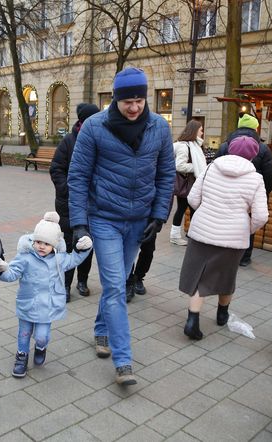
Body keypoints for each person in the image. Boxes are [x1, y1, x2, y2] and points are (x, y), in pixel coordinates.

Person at [68, 67, 175, 385]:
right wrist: (78, 224)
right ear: (115, 100)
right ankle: (124, 361)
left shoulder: (159, 128)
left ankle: (101, 331)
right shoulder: (94, 127)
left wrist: (158, 216)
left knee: (115, 284)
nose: (134, 107)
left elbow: (166, 174)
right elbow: (77, 177)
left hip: (139, 221)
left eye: (140, 100)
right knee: (116, 286)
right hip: (104, 219)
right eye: (128, 101)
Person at [180, 136, 268, 340]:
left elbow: (193, 198)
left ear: (229, 149)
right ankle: (222, 314)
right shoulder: (255, 178)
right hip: (233, 237)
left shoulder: (211, 168)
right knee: (227, 276)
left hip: (202, 231)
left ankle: (192, 319)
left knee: (198, 276)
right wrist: (247, 228)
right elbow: (261, 216)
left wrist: (206, 213)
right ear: (253, 155)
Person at [0, 212, 92, 378]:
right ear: (33, 241)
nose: (41, 246)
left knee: (42, 336)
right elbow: (11, 274)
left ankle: (41, 347)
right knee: (24, 334)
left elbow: (74, 259)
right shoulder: (24, 258)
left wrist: (85, 248)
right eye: (38, 242)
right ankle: (21, 356)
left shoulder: (59, 260)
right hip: (28, 304)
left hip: (47, 307)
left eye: (46, 243)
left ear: (54, 245)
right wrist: (0, 270)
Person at [125, 119, 206, 301]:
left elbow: (166, 188)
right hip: (129, 212)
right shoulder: (130, 156)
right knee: (128, 248)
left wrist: (160, 216)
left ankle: (139, 277)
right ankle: (128, 280)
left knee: (148, 248)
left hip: (150, 212)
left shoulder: (162, 157)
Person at [49, 103, 99, 302]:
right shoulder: (68, 142)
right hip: (68, 203)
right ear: (83, 120)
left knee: (87, 244)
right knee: (69, 246)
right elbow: (56, 169)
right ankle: (65, 285)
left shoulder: (98, 140)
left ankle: (83, 281)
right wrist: (68, 189)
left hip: (92, 204)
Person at [216, 113, 272, 266]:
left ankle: (223, 252)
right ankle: (244, 257)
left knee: (225, 221)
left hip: (225, 192)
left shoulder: (225, 145)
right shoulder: (263, 149)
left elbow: (214, 167)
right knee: (247, 223)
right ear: (256, 128)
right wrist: (264, 194)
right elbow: (269, 176)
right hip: (251, 194)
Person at [170, 119, 207, 245]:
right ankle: (175, 236)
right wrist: (197, 167)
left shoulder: (193, 145)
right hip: (187, 184)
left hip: (192, 183)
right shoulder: (184, 146)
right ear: (195, 131)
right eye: (201, 130)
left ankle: (191, 234)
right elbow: (179, 166)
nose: (202, 133)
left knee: (192, 209)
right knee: (183, 208)